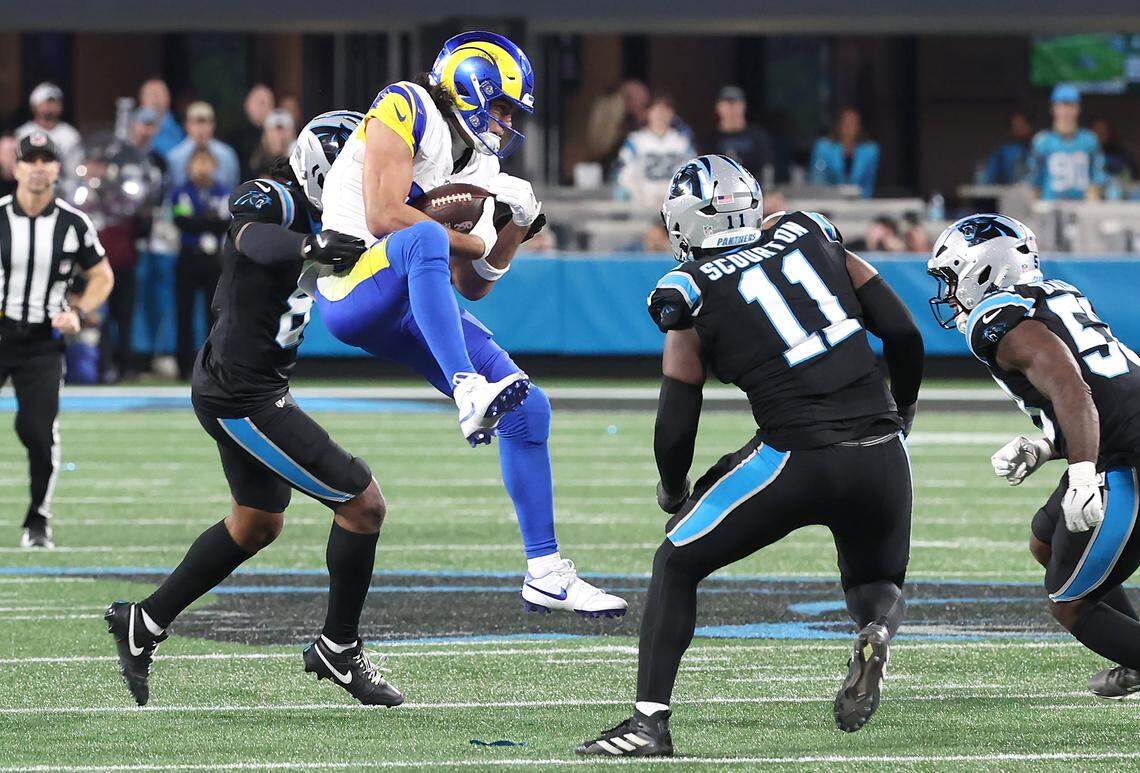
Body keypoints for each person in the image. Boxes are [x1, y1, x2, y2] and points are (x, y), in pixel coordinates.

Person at [577, 155, 923, 756]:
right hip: (882, 450)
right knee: (875, 582)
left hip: (798, 457)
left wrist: (673, 487)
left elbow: (677, 415)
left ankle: (649, 723)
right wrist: (904, 410)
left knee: (675, 562)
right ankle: (876, 630)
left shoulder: (689, 289)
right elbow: (903, 332)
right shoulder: (810, 231)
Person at [316, 30, 627, 618]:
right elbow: (384, 217)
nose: (507, 123)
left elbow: (473, 284)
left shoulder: (482, 163)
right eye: (503, 107)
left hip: (412, 299)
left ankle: (544, 571)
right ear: (471, 85)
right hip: (352, 285)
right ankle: (466, 387)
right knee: (425, 238)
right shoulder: (406, 103)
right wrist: (475, 237)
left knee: (529, 409)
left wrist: (517, 226)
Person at [104, 111, 405, 709]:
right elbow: (247, 235)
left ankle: (145, 620)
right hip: (241, 393)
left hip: (254, 383)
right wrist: (307, 245)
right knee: (362, 504)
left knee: (257, 523)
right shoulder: (272, 196)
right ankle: (338, 647)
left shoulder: (344, 215)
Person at [928, 213, 1140, 700]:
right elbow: (1108, 384)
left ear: (983, 270)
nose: (948, 293)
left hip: (1124, 457)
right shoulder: (1054, 293)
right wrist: (1047, 445)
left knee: (1069, 603)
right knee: (1045, 543)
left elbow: (1071, 386)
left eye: (951, 277)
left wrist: (1083, 474)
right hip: (1117, 436)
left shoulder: (996, 321)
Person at [0, 132, 114, 548]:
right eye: (30, 160)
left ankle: (38, 518)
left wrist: (78, 313)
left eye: (46, 160)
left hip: (41, 342)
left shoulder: (73, 223)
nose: (38, 168)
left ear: (56, 169)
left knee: (38, 431)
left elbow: (102, 275)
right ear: (16, 168)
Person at [170, 148, 229, 379]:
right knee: (183, 313)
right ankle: (183, 367)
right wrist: (209, 220)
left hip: (213, 259)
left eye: (206, 162)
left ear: (214, 166)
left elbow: (225, 222)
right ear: (189, 167)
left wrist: (201, 220)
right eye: (198, 162)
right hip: (188, 257)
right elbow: (182, 221)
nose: (202, 168)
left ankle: (213, 365)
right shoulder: (181, 191)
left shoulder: (222, 191)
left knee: (213, 314)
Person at [614, 94, 697, 213]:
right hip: (642, 205)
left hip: (675, 207)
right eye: (657, 111)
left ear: (672, 114)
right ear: (648, 113)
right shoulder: (636, 141)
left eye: (665, 111)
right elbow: (623, 173)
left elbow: (692, 173)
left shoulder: (682, 142)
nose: (660, 115)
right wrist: (629, 191)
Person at [1028, 85, 1105, 201]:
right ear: (1053, 109)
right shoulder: (1042, 141)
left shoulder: (1089, 140)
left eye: (1071, 106)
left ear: (1078, 109)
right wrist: (1035, 204)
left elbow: (1096, 176)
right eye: (1062, 106)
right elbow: (1035, 179)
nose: (1066, 112)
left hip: (1082, 204)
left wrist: (1093, 201)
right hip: (1050, 204)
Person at [165, 102, 240, 192]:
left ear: (212, 125)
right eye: (195, 123)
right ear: (187, 125)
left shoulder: (227, 154)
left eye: (204, 123)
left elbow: (232, 187)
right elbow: (171, 189)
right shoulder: (174, 157)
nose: (200, 129)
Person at [810, 106, 880, 198]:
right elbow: (818, 178)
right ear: (839, 126)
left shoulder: (870, 152)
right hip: (828, 200)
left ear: (859, 127)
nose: (849, 128)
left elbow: (868, 184)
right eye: (846, 124)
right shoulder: (823, 148)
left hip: (859, 201)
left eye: (853, 124)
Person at [15, 83, 82, 177]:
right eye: (46, 102)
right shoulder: (22, 133)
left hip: (64, 183)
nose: (50, 106)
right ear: (34, 106)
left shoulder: (71, 134)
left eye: (54, 102)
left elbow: (75, 171)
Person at [710, 85, 771, 180]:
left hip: (753, 187)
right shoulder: (710, 138)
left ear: (743, 106)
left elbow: (767, 168)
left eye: (735, 103)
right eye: (727, 104)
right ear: (718, 107)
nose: (731, 108)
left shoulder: (757, 136)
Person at [228, 84, 275, 180]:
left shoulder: (277, 134)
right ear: (248, 105)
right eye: (261, 103)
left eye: (270, 103)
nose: (266, 107)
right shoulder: (236, 136)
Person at [982, 112, 1033, 185]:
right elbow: (990, 179)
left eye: (1023, 124)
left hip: (1036, 190)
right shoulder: (1001, 152)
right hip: (1009, 189)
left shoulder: (1039, 149)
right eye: (1016, 126)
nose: (1019, 128)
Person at [137, 79, 184, 156]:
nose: (155, 99)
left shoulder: (182, 123)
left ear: (168, 98)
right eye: (151, 94)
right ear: (141, 99)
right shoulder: (130, 124)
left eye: (159, 94)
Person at [248, 108, 296, 179]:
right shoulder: (257, 161)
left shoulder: (298, 159)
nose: (278, 135)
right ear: (265, 135)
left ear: (292, 133)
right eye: (273, 130)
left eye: (283, 130)